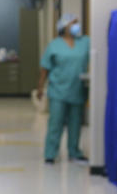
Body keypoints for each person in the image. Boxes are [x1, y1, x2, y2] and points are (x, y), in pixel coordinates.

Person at [37, 13, 90, 163]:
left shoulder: (85, 41)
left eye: (77, 23)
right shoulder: (54, 45)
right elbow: (45, 68)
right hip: (57, 91)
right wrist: (40, 88)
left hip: (77, 90)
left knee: (75, 124)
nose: (76, 26)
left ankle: (74, 152)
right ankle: (50, 154)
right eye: (73, 23)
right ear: (63, 27)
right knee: (55, 123)